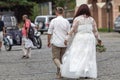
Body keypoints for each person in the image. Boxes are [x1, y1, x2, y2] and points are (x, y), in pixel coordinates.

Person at [60, 4, 101, 79]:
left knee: (78, 54)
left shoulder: (77, 19)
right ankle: (86, 72)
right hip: (89, 38)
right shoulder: (91, 19)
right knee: (89, 55)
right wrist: (99, 39)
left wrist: (66, 39)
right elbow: (95, 31)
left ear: (79, 10)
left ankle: (79, 71)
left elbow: (72, 30)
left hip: (80, 38)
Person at [47, 7, 70, 79]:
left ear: (56, 13)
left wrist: (48, 41)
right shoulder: (66, 21)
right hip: (64, 43)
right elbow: (69, 33)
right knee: (61, 59)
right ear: (62, 13)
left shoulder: (53, 21)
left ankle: (61, 68)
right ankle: (59, 74)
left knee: (55, 58)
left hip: (56, 42)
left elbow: (49, 32)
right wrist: (66, 40)